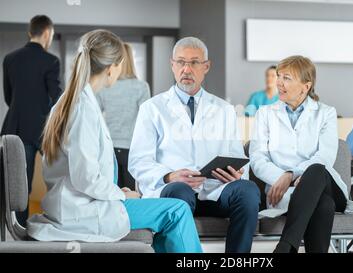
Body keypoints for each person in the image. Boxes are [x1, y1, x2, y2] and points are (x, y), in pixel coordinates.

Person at [26, 30, 202, 253]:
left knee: (165, 213)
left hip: (79, 205)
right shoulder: (82, 109)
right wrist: (121, 194)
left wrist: (117, 192)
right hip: (84, 213)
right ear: (112, 68)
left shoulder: (72, 101)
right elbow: (85, 178)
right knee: (177, 211)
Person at [129, 37, 260, 253]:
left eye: (194, 62)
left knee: (247, 190)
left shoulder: (224, 109)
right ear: (172, 65)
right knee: (180, 191)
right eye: (180, 62)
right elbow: (138, 161)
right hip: (175, 190)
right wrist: (170, 176)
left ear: (206, 66)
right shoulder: (152, 108)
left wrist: (237, 174)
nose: (186, 69)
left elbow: (237, 157)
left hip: (215, 190)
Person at [250, 56, 349, 253]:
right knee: (323, 205)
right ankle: (287, 248)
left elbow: (325, 157)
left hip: (328, 186)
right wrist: (282, 178)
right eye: (279, 76)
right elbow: (257, 158)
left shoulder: (326, 113)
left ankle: (285, 246)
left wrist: (290, 174)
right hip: (284, 192)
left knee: (316, 170)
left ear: (305, 86)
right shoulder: (265, 113)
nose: (278, 82)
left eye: (286, 77)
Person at [1, 15, 62, 227]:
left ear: (31, 32)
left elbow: (9, 97)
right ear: (46, 33)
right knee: (58, 179)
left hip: (16, 127)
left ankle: (18, 229)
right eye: (51, 36)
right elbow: (57, 98)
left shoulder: (10, 59)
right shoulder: (51, 61)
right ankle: (57, 223)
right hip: (45, 129)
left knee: (20, 183)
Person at [96, 43, 150, 190]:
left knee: (112, 195)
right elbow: (147, 122)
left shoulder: (105, 87)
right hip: (131, 149)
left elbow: (95, 114)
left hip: (109, 149)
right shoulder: (141, 87)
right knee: (132, 195)